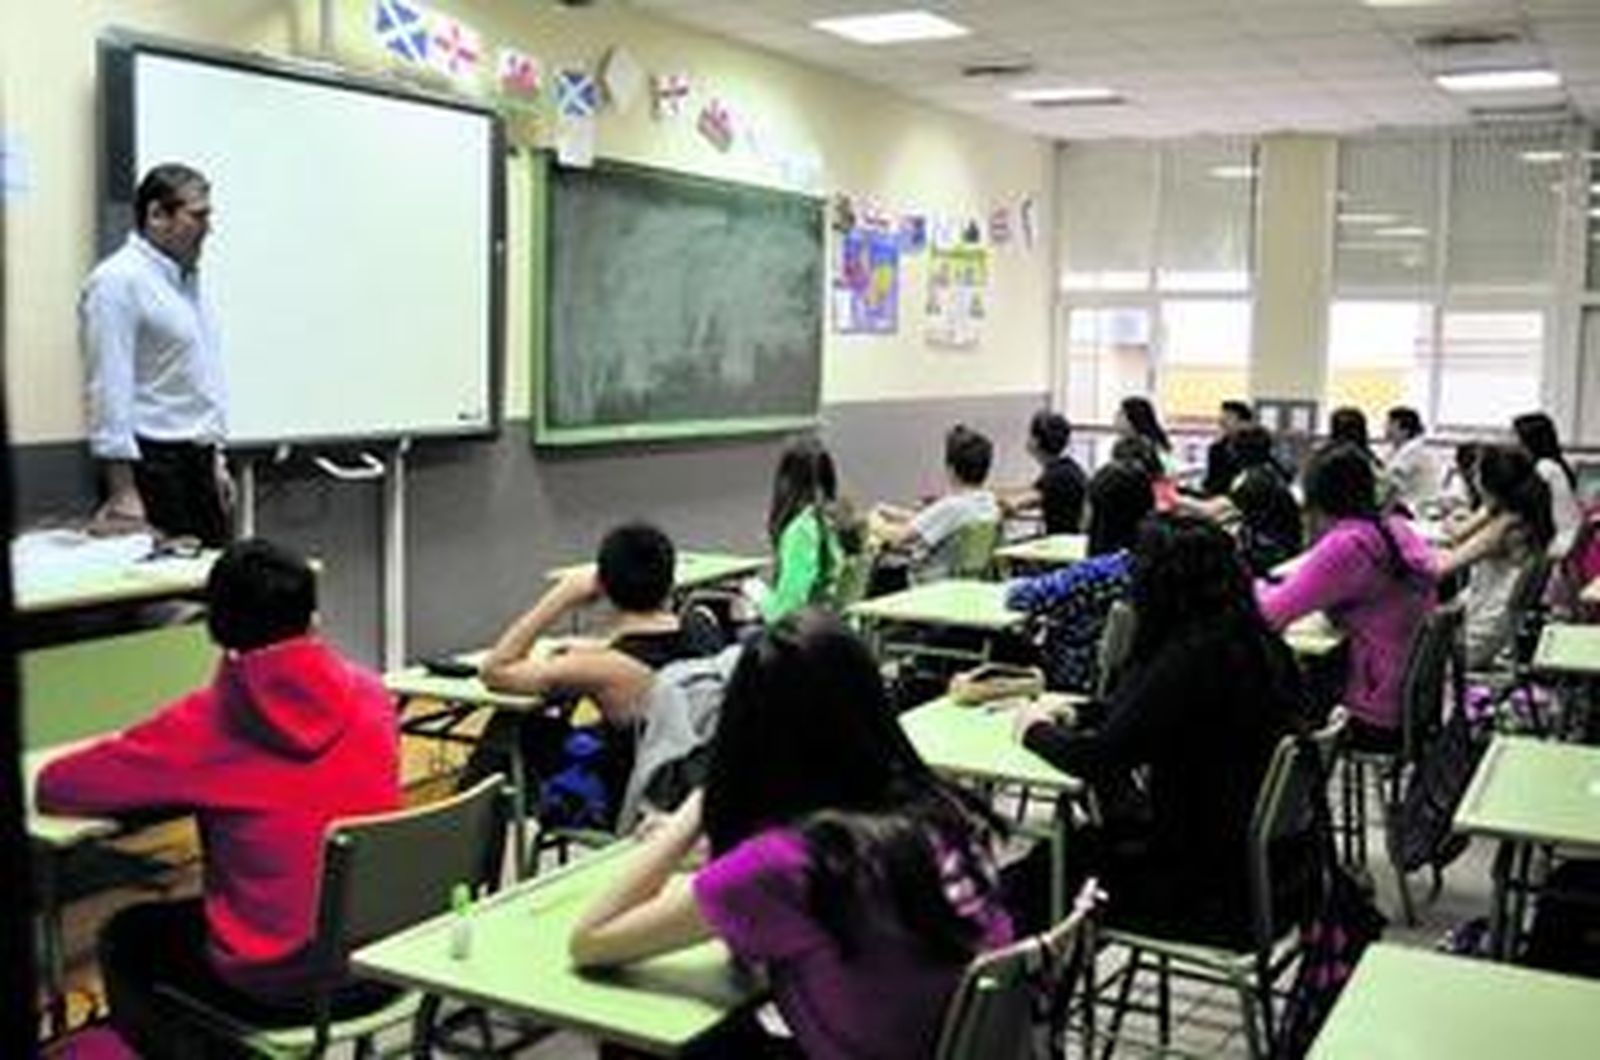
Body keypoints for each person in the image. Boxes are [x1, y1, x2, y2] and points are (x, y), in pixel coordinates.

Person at [569, 612, 1013, 1059]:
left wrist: (695, 809)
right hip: (950, 1046)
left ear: (747, 730)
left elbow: (591, 941)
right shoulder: (936, 809)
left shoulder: (782, 866)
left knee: (634, 1045)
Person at [35, 540, 400, 1054]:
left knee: (129, 934)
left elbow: (57, 786)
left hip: (276, 986)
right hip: (387, 962)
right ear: (313, 619)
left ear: (213, 627)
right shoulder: (373, 694)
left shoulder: (209, 723)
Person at [1009, 515, 1306, 943]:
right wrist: (1082, 713)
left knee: (1046, 870)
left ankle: (1007, 994)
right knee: (1065, 856)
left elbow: (1099, 760)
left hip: (1202, 891)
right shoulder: (1255, 644)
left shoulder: (1186, 659)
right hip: (1270, 878)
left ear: (1157, 583)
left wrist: (1031, 730)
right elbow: (1153, 716)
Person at [475, 522, 708, 827]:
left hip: (634, 806)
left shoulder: (604, 668)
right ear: (670, 579)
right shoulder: (703, 630)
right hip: (699, 794)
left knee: (511, 731)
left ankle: (464, 843)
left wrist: (560, 597)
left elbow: (495, 670)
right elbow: (651, 647)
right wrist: (595, 647)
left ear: (602, 585)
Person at [81, 163, 231, 546]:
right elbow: (107, 387)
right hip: (151, 468)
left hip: (196, 462)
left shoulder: (187, 282)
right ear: (156, 215)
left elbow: (200, 379)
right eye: (197, 216)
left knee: (214, 587)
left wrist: (215, 459)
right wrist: (122, 490)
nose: (208, 228)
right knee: (170, 599)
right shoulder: (117, 282)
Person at [1258, 444, 1437, 749]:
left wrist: (1254, 584)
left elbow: (1269, 615)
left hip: (1371, 711)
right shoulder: (1396, 529)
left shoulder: (1348, 546)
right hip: (1412, 701)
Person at [1006, 459, 1153, 693]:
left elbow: (1020, 597)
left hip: (1073, 676)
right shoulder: (1152, 563)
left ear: (1099, 511)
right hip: (1127, 682)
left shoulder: (1098, 572)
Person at [1437, 445, 1554, 669]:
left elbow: (1442, 567)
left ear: (1489, 482)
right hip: (1496, 627)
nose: (1473, 477)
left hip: (1479, 634)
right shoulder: (1523, 515)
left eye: (1477, 472)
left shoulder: (1504, 527)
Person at [870, 424, 1000, 580]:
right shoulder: (989, 502)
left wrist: (872, 521)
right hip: (962, 582)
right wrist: (892, 511)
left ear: (950, 469)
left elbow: (900, 536)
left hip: (930, 582)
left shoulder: (952, 506)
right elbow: (930, 520)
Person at [742, 439, 846, 623]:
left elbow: (786, 613)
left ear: (785, 482)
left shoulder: (801, 532)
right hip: (831, 631)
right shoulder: (830, 520)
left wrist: (757, 593)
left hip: (808, 640)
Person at [998, 410, 1087, 534]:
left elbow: (1017, 503)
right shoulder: (1068, 469)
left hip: (1060, 543)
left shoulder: (1056, 476)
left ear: (1036, 441)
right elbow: (1030, 490)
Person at [1512, 412, 1581, 553]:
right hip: (1567, 539)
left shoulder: (1544, 469)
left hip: (1559, 546)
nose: (1515, 446)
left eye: (1518, 440)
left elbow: (1521, 508)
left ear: (1530, 442)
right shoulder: (1558, 465)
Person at [1381, 406, 1438, 515]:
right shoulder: (1395, 450)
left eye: (1390, 425)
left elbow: (1393, 487)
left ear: (1405, 431)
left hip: (1413, 509)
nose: (1386, 429)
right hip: (1405, 506)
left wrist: (1381, 517)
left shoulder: (1412, 451)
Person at [1202, 399, 1254, 497]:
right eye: (1222, 418)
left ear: (1244, 424)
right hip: (1219, 502)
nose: (1223, 422)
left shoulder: (1254, 449)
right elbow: (1211, 480)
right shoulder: (1216, 450)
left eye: (1229, 418)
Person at [1115, 396, 1175, 474]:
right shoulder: (1123, 445)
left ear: (1132, 418)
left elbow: (1168, 473)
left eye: (1121, 414)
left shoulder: (1148, 447)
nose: (1116, 418)